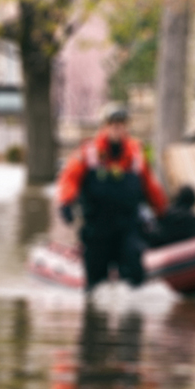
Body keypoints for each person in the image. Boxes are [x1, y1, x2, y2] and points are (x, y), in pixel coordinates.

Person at [57, 106, 167, 292]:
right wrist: (66, 202)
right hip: (98, 227)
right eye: (113, 125)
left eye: (121, 125)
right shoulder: (88, 153)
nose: (117, 129)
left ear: (126, 128)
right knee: (95, 283)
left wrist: (163, 212)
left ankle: (132, 315)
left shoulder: (136, 155)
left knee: (134, 274)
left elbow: (150, 186)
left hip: (128, 226)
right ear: (104, 127)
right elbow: (70, 178)